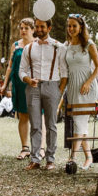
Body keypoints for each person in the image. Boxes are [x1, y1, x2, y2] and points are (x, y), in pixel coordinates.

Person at [20, 17, 67, 171]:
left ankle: (50, 159)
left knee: (51, 125)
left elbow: (65, 73)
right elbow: (22, 70)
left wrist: (59, 91)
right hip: (33, 87)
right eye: (37, 27)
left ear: (49, 28)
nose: (39, 29)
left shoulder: (58, 47)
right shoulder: (28, 48)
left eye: (42, 27)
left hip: (52, 86)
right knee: (35, 124)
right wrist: (28, 79)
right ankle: (35, 159)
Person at [62, 14, 98, 169]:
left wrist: (88, 82)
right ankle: (89, 157)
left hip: (87, 88)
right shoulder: (67, 45)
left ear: (81, 27)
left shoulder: (89, 44)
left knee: (80, 122)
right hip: (72, 87)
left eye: (74, 26)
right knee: (79, 124)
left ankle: (72, 158)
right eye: (69, 26)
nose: (71, 29)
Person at [1, 18, 35, 158]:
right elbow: (10, 66)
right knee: (23, 116)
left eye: (26, 28)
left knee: (38, 116)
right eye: (21, 28)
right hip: (18, 85)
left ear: (33, 30)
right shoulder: (15, 45)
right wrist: (4, 84)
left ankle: (40, 148)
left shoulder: (37, 44)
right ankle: (25, 148)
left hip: (33, 84)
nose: (23, 30)